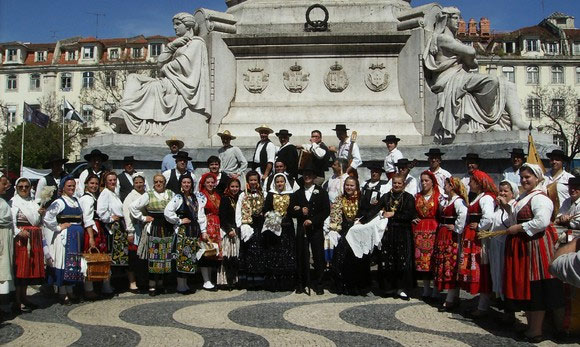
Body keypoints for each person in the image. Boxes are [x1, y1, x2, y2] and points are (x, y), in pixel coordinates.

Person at [423, 7, 527, 140]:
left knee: (508, 85)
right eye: (455, 18)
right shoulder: (442, 38)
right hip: (448, 79)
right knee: (491, 81)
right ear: (446, 20)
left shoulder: (457, 42)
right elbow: (471, 54)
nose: (459, 21)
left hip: (461, 76)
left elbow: (473, 64)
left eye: (459, 18)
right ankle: (489, 121)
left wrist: (467, 55)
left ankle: (517, 122)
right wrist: (467, 55)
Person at [110, 12, 211, 134]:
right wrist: (171, 46)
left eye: (178, 24)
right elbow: (159, 62)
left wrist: (165, 69)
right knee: (133, 77)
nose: (175, 27)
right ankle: (124, 110)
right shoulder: (179, 44)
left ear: (188, 26)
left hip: (179, 83)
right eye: (174, 25)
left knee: (153, 87)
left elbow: (184, 65)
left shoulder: (196, 43)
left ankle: (129, 113)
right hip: (169, 79)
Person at [504, 163, 564, 342]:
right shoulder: (524, 196)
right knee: (527, 287)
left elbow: (542, 221)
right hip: (524, 245)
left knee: (535, 287)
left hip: (535, 246)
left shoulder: (540, 198)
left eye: (527, 177)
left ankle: (536, 330)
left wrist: (519, 227)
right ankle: (531, 327)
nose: (524, 180)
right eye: (522, 177)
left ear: (537, 178)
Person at [458, 169, 497, 318]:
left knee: (482, 268)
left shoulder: (486, 198)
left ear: (479, 183)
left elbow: (488, 218)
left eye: (473, 181)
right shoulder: (478, 197)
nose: (469, 183)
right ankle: (481, 304)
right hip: (472, 237)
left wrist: (479, 226)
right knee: (477, 268)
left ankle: (483, 306)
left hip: (479, 239)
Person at [130, 174, 175, 296]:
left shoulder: (171, 194)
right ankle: (152, 285)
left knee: (165, 256)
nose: (158, 184)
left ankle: (160, 283)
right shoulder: (148, 194)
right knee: (154, 257)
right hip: (154, 227)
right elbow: (133, 206)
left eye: (161, 181)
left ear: (165, 182)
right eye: (156, 182)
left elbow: (176, 208)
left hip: (167, 228)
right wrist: (143, 218)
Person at [44, 176, 85, 305]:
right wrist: (58, 227)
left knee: (72, 263)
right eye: (69, 186)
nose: (72, 188)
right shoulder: (60, 202)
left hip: (76, 237)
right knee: (63, 262)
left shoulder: (75, 200)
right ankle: (62, 291)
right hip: (65, 237)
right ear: (63, 188)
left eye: (73, 186)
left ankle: (70, 289)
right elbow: (47, 217)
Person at [375, 174, 416, 299]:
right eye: (395, 183)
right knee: (388, 260)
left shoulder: (408, 197)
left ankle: (401, 288)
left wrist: (393, 214)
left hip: (403, 232)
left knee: (402, 260)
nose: (397, 185)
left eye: (399, 183)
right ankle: (389, 287)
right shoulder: (386, 196)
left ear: (404, 184)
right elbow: (376, 209)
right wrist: (381, 212)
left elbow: (410, 214)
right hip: (388, 232)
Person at [291, 166, 330, 295]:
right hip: (302, 228)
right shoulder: (297, 193)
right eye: (305, 175)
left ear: (314, 177)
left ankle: (319, 283)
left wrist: (313, 220)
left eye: (309, 174)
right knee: (302, 255)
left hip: (316, 228)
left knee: (318, 256)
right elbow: (291, 211)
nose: (307, 177)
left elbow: (325, 211)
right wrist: (300, 211)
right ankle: (301, 283)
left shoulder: (321, 192)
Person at [164, 174, 206, 294]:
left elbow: (201, 215)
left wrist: (203, 231)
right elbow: (167, 212)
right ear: (181, 184)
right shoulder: (178, 197)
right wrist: (179, 220)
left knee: (189, 257)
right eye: (184, 182)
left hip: (193, 231)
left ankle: (185, 283)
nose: (186, 185)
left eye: (189, 182)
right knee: (181, 257)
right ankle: (180, 284)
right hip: (182, 231)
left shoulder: (196, 198)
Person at [432, 177, 468, 311]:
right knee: (445, 263)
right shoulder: (448, 200)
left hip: (451, 237)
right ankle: (454, 297)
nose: (444, 186)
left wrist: (457, 228)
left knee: (451, 264)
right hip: (444, 234)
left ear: (452, 186)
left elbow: (463, 215)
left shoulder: (458, 201)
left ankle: (450, 299)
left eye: (446, 184)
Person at [11, 178, 44, 313]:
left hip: (33, 237)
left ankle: (24, 297)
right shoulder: (14, 203)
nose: (24, 189)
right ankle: (17, 300)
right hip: (22, 239)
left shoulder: (32, 202)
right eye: (21, 187)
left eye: (26, 186)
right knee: (21, 269)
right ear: (16, 188)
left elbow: (37, 221)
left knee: (28, 269)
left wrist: (42, 214)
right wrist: (19, 232)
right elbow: (11, 221)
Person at [488, 180, 519, 322]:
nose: (502, 193)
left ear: (512, 193)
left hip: (505, 244)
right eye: (501, 190)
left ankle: (510, 311)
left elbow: (512, 222)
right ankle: (500, 303)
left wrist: (506, 206)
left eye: (506, 191)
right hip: (495, 244)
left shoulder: (513, 207)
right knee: (497, 274)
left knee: (505, 275)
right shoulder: (497, 207)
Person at [262, 173, 296, 291]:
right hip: (274, 227)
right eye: (277, 182)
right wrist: (270, 215)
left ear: (285, 182)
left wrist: (295, 209)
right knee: (274, 252)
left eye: (282, 182)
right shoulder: (271, 195)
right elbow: (265, 209)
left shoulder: (290, 194)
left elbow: (292, 210)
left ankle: (287, 283)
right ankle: (273, 283)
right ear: (274, 183)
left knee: (286, 253)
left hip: (287, 227)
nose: (280, 184)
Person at [78, 174, 110, 300]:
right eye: (91, 183)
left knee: (97, 257)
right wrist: (91, 237)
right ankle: (88, 289)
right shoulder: (87, 199)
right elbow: (87, 219)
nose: (94, 186)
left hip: (96, 228)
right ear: (86, 184)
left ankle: (96, 285)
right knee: (90, 257)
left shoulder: (93, 197)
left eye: (96, 184)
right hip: (91, 229)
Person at [413, 170, 442, 300]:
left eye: (427, 181)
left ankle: (435, 288)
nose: (424, 183)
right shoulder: (417, 196)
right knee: (422, 261)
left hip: (434, 229)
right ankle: (425, 288)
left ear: (432, 182)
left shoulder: (438, 196)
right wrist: (413, 218)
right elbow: (412, 211)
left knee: (433, 260)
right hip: (419, 230)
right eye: (422, 181)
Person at [236, 171, 266, 287]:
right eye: (251, 180)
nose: (253, 182)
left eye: (255, 180)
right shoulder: (243, 195)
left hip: (259, 225)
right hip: (248, 225)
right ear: (248, 181)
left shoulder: (263, 193)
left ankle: (259, 279)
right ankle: (248, 280)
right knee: (248, 250)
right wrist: (241, 226)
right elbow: (238, 211)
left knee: (259, 250)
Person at [122, 172, 147, 294]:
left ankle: (142, 280)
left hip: (145, 228)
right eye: (136, 182)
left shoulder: (146, 194)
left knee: (143, 256)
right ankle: (132, 282)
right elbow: (127, 215)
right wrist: (130, 231)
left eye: (140, 182)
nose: (139, 184)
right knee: (133, 257)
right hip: (135, 227)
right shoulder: (130, 196)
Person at [196, 173, 222, 291]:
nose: (210, 184)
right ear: (204, 183)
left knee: (213, 252)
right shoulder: (201, 195)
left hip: (216, 225)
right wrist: (203, 229)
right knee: (205, 251)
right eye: (208, 182)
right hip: (206, 224)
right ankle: (206, 280)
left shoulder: (217, 195)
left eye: (212, 182)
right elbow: (199, 212)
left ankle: (211, 279)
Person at [217, 178, 242, 289]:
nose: (234, 189)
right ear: (228, 187)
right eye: (232, 186)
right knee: (228, 256)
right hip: (229, 231)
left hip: (238, 229)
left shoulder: (241, 197)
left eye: (236, 186)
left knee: (236, 256)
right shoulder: (225, 199)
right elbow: (222, 217)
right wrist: (228, 230)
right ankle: (226, 281)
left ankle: (235, 280)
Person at [0, 175, 14, 318]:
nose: (6, 186)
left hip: (5, 238)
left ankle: (4, 304)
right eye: (4, 183)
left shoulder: (2, 201)